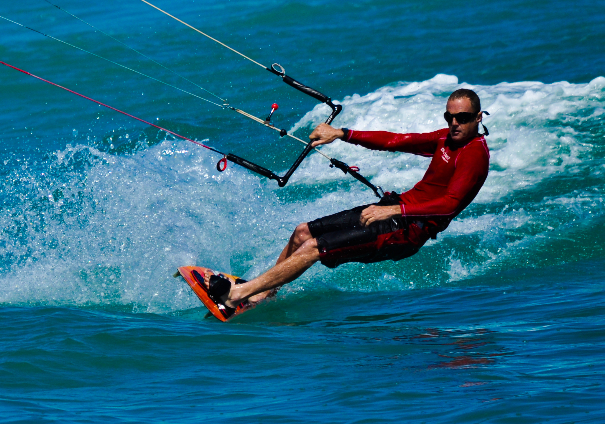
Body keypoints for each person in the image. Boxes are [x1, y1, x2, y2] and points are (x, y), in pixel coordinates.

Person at [207, 88, 491, 311]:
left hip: (405, 230)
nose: (454, 123)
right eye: (449, 117)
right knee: (302, 232)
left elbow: (449, 205)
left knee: (313, 248)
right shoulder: (447, 139)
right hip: (391, 211)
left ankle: (238, 294)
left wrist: (397, 210)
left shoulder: (474, 155)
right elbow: (396, 140)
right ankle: (264, 293)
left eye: (462, 118)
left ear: (478, 118)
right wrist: (342, 134)